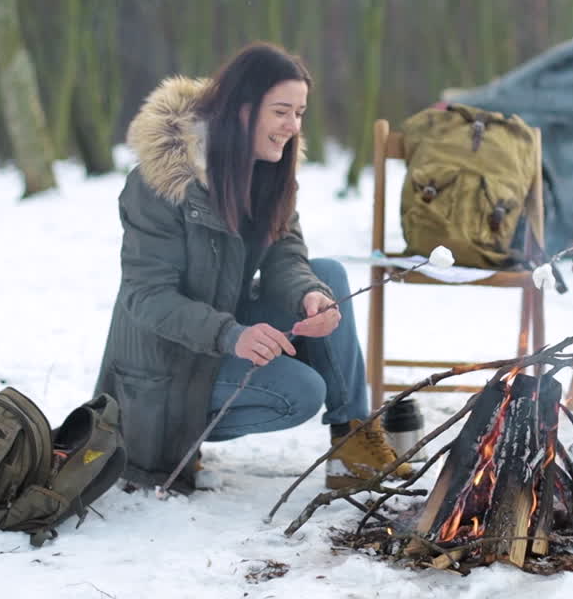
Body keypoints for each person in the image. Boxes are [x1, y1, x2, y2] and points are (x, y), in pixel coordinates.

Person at [94, 42, 412, 493]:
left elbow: (286, 254)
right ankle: (182, 432)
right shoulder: (162, 182)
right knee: (300, 392)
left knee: (329, 277)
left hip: (223, 332)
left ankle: (352, 440)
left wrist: (308, 294)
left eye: (300, 113)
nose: (292, 126)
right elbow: (147, 298)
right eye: (282, 111)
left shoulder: (268, 172)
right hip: (165, 365)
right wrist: (233, 334)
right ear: (241, 109)